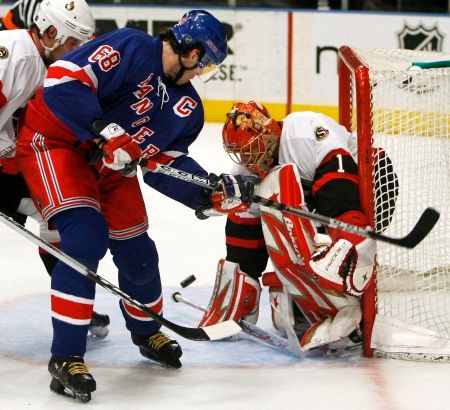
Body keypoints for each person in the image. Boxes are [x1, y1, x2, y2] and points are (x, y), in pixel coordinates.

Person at [15, 9, 254, 403]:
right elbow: (62, 79)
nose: (199, 74)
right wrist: (106, 132)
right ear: (192, 54)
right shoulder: (131, 46)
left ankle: (146, 331)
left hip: (109, 167)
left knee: (139, 251)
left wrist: (206, 191)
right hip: (57, 144)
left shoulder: (187, 107)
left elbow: (164, 164)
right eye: (203, 65)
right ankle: (66, 357)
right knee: (84, 239)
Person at [197, 101, 380, 352]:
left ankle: (352, 288)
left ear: (268, 132)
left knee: (319, 232)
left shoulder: (303, 131)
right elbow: (245, 229)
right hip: (323, 202)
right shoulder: (244, 172)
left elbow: (340, 186)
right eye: (240, 152)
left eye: (251, 149)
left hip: (371, 181)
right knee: (261, 215)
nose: (247, 159)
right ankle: (251, 298)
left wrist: (351, 238)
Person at [0, 0, 110, 338]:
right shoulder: (14, 53)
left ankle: (72, 302)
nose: (76, 52)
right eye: (72, 43)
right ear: (50, 32)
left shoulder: (46, 63)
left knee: (57, 219)